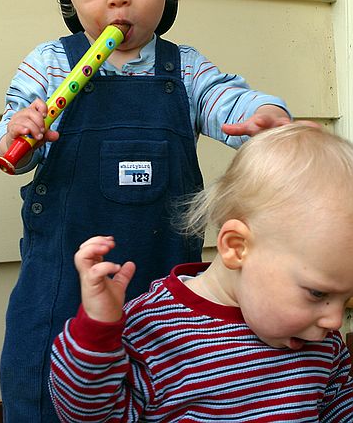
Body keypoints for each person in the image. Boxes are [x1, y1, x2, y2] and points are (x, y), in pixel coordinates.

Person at [0, 0, 292, 421]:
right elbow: (11, 140)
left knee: (162, 387)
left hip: (165, 288)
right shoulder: (51, 65)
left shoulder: (186, 68)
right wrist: (19, 136)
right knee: (44, 388)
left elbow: (224, 100)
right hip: (62, 282)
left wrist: (256, 115)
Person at [49, 124, 353, 422]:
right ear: (236, 247)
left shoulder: (323, 345)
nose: (335, 320)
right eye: (318, 293)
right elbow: (89, 415)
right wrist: (97, 333)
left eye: (347, 297)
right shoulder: (154, 332)